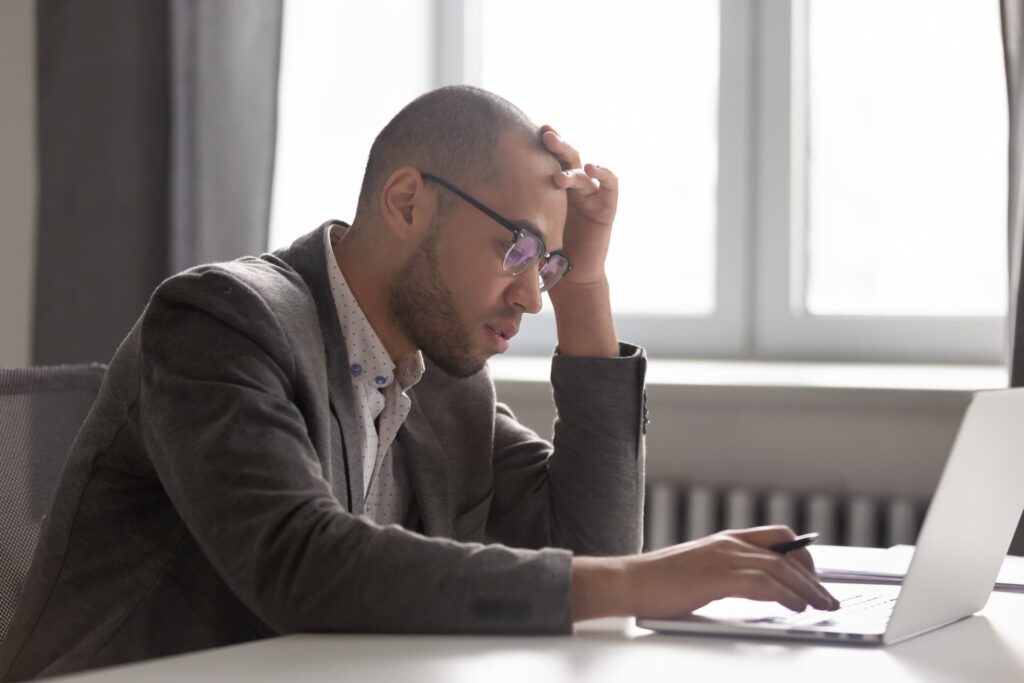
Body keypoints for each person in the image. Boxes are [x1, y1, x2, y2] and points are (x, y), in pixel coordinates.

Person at [0, 86, 837, 681]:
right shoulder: (220, 323)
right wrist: (649, 580)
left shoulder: (440, 376)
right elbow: (303, 563)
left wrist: (586, 286)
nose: (533, 292)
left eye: (546, 263)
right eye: (516, 247)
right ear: (407, 201)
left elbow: (593, 543)